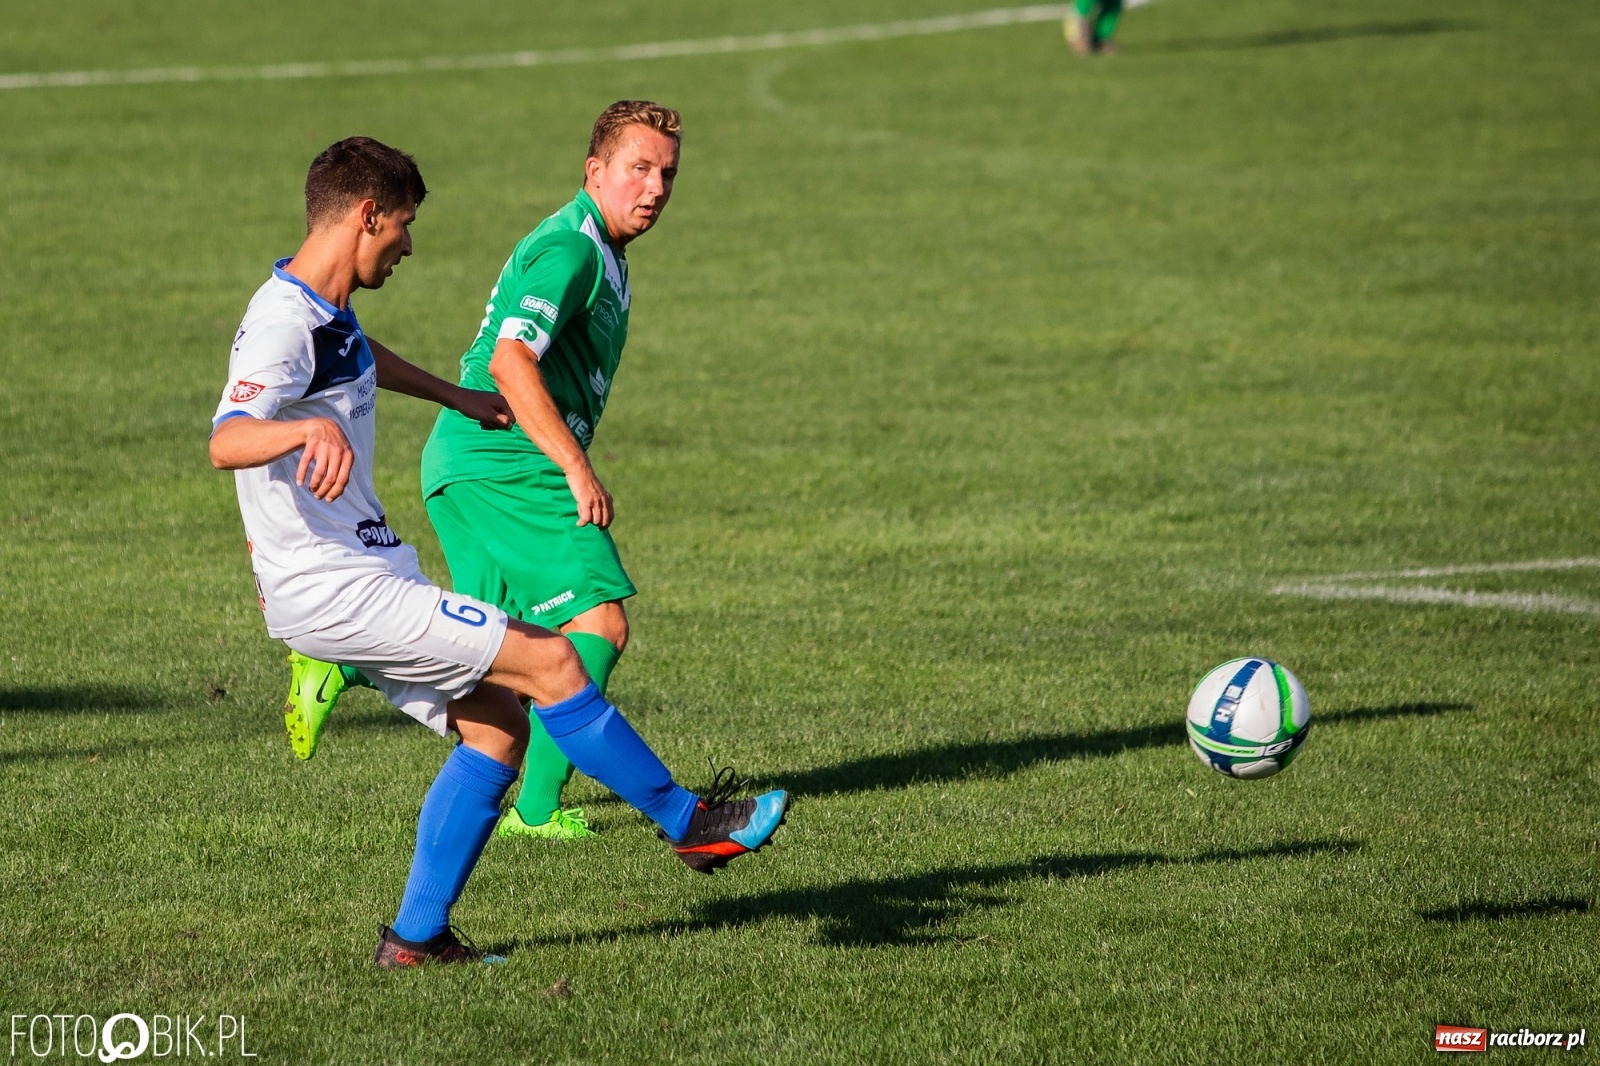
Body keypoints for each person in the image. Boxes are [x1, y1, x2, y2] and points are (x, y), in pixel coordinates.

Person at [210, 136, 789, 967]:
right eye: (401, 227)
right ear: (366, 214)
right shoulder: (279, 321)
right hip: (339, 588)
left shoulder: (319, 311)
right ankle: (690, 824)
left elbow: (354, 356)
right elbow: (227, 438)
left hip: (358, 575)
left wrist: (456, 395)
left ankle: (413, 942)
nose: (408, 245)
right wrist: (301, 429)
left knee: (499, 731)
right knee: (553, 662)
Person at [280, 101, 686, 846]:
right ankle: (536, 806)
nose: (655, 187)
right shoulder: (570, 249)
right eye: (638, 168)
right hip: (504, 462)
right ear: (595, 171)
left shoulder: (600, 248)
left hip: (464, 461)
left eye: (666, 172)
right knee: (596, 621)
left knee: (491, 660)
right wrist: (575, 465)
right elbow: (510, 360)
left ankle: (349, 662)